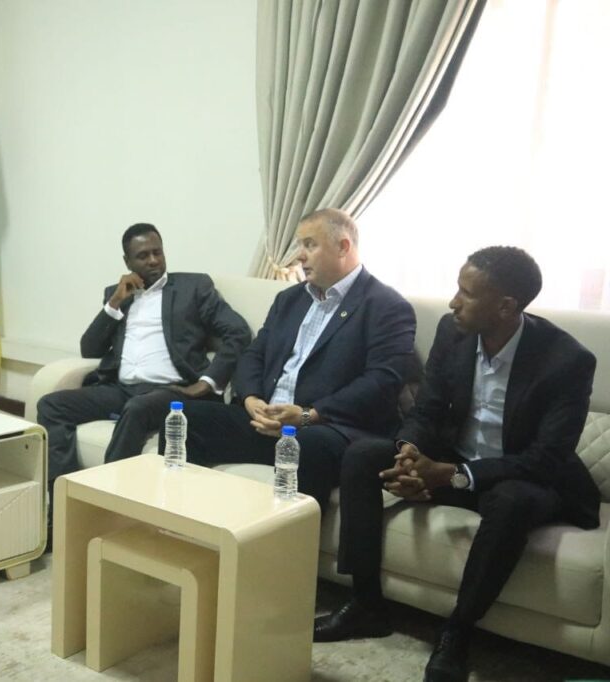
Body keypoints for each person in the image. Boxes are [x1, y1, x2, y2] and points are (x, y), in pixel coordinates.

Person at [314, 246, 600, 682]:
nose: (453, 302)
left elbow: (546, 458)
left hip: (520, 474)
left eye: (467, 293)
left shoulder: (567, 360)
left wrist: (452, 475)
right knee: (362, 455)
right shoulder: (454, 332)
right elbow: (427, 409)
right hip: (455, 457)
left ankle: (457, 632)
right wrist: (410, 452)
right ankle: (366, 604)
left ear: (505, 306)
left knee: (512, 501)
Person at [179, 208, 416, 510]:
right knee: (186, 419)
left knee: (307, 445)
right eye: (299, 245)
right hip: (268, 421)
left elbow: (382, 382)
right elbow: (253, 354)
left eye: (309, 245)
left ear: (343, 247)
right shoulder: (289, 299)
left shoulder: (386, 306)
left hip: (329, 429)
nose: (299, 256)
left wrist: (308, 415)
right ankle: (179, 523)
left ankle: (287, 539)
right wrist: (251, 399)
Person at [36, 222, 251, 486]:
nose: (153, 260)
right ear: (127, 262)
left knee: (137, 408)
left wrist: (207, 382)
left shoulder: (193, 288)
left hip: (172, 390)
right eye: (143, 256)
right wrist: (114, 303)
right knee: (51, 405)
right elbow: (90, 348)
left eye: (157, 252)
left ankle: (107, 495)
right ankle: (60, 495)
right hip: (121, 389)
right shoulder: (117, 295)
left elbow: (238, 332)